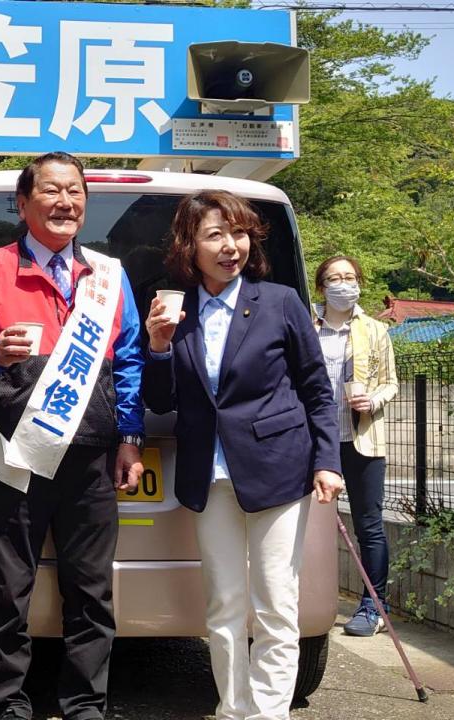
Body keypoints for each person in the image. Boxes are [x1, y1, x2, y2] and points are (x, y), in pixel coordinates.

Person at [0, 152, 145, 720]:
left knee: (91, 591)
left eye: (75, 191)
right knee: (8, 588)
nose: (66, 202)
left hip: (92, 459)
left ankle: (85, 704)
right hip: (18, 458)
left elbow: (129, 360)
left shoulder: (108, 276)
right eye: (52, 191)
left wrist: (130, 437)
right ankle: (7, 704)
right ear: (22, 203)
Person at [142, 190, 343, 720]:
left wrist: (328, 461)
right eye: (215, 235)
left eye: (239, 233)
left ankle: (269, 712)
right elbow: (160, 401)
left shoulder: (280, 301)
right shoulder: (176, 309)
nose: (231, 246)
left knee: (275, 600)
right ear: (189, 245)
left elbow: (316, 389)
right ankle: (233, 708)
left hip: (279, 468)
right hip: (207, 475)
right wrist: (158, 347)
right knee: (224, 602)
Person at [312, 255, 398, 636]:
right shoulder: (305, 326)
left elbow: (391, 383)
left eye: (350, 277)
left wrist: (372, 400)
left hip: (362, 438)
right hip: (315, 441)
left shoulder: (375, 330)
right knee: (306, 524)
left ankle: (373, 606)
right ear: (321, 286)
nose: (344, 284)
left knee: (369, 525)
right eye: (335, 278)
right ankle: (306, 598)